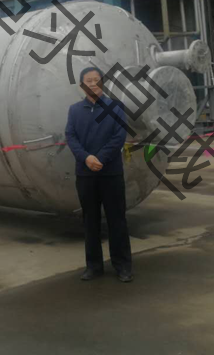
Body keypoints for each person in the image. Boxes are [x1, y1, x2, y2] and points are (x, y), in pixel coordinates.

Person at [65, 66, 133, 283]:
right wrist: (86, 158)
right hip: (85, 174)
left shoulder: (116, 107)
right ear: (82, 85)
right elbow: (71, 136)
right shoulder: (75, 110)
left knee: (117, 219)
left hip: (111, 173)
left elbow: (119, 136)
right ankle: (93, 266)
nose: (93, 84)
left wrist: (100, 158)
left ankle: (122, 266)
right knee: (90, 221)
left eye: (97, 80)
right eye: (89, 80)